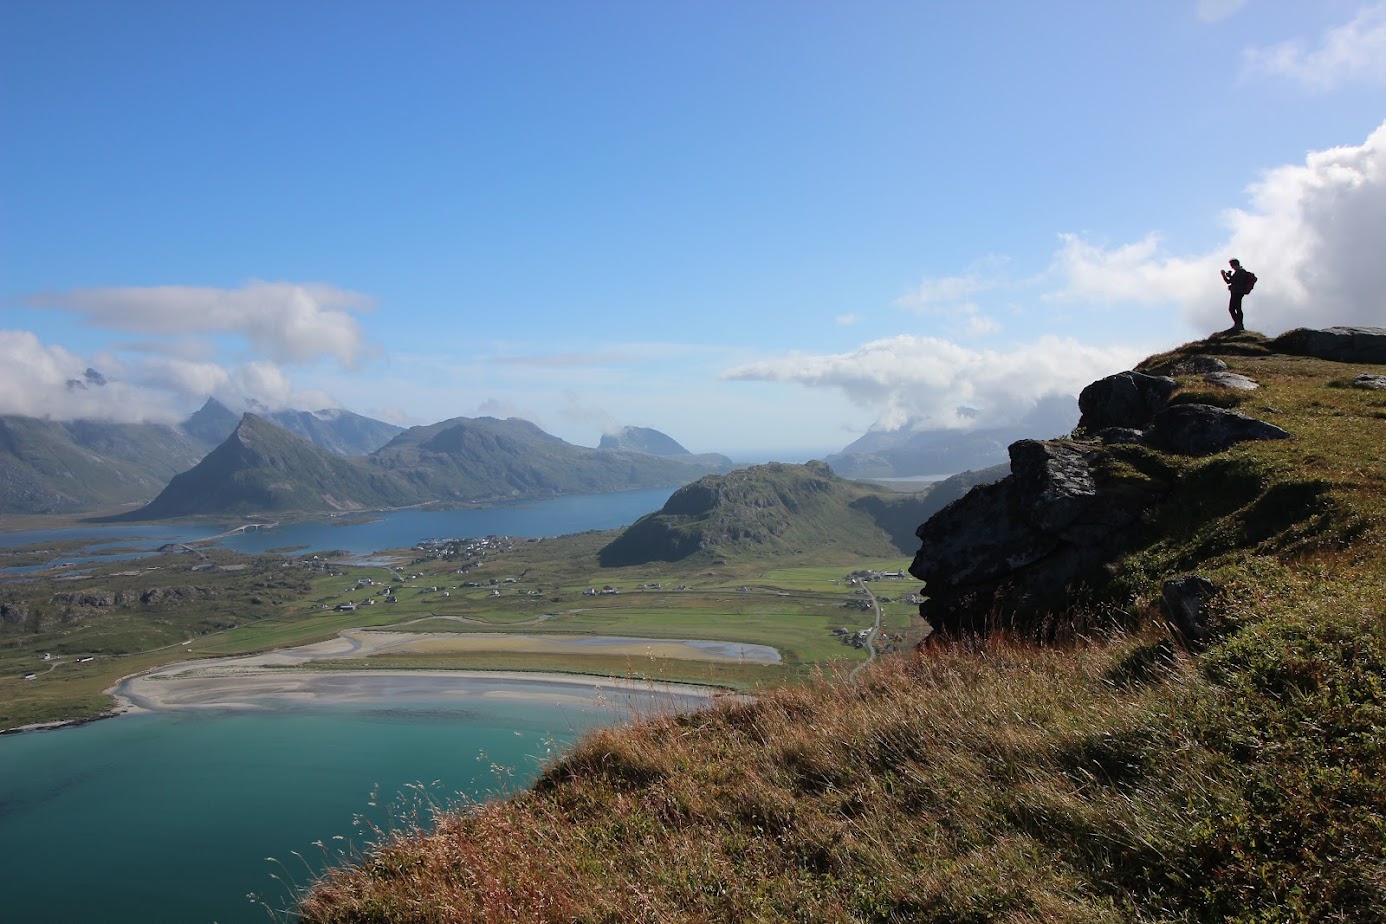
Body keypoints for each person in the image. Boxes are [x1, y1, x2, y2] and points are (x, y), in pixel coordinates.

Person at [1220, 258, 1253, 332]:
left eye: (1232, 265)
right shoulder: (1241, 272)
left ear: (1235, 265)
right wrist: (1229, 276)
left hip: (1236, 292)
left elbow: (1230, 281)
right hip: (1239, 292)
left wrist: (1224, 275)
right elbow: (1232, 281)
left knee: (1232, 308)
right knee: (1237, 308)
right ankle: (1239, 324)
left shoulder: (1240, 272)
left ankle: (1238, 324)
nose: (1231, 267)